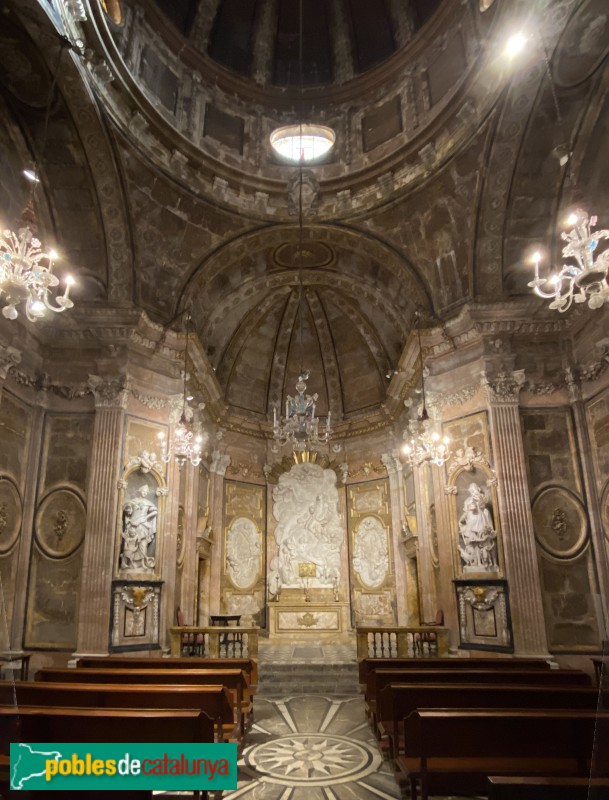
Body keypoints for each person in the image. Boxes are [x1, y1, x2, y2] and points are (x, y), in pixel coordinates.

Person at [120, 485, 157, 570]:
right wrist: (129, 509)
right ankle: (130, 563)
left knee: (143, 544)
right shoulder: (133, 501)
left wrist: (146, 518)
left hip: (143, 525)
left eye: (146, 492)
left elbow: (155, 511)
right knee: (131, 544)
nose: (145, 493)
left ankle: (142, 563)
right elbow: (126, 509)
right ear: (140, 491)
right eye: (144, 491)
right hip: (133, 524)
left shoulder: (148, 502)